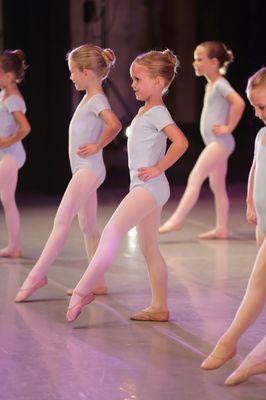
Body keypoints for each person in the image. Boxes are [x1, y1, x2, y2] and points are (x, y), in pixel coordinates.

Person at [66, 49, 189, 323]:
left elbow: (181, 142)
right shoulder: (148, 110)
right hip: (149, 186)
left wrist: (159, 167)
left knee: (112, 231)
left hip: (149, 187)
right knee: (149, 247)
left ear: (158, 82)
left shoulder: (157, 111)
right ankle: (160, 307)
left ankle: (83, 290)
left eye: (137, 79)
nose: (132, 84)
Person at [14, 44, 121, 302]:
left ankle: (36, 276)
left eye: (73, 71)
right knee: (88, 227)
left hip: (88, 170)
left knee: (61, 222)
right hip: (86, 169)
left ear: (86, 72)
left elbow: (115, 124)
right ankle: (98, 282)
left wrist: (97, 145)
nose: (71, 76)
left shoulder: (96, 99)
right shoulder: (90, 97)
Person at [201, 67, 266, 386]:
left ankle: (229, 343)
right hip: (263, 222)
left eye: (262, 107)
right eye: (255, 106)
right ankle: (259, 358)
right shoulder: (261, 134)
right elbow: (256, 168)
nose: (256, 113)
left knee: (258, 282)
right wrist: (252, 204)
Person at [159, 41, 245, 239]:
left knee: (195, 177)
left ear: (214, 62)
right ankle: (221, 228)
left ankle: (177, 220)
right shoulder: (211, 85)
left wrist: (228, 127)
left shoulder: (221, 84)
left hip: (220, 143)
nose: (194, 63)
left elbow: (239, 103)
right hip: (217, 143)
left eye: (199, 59)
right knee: (217, 186)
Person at [0, 49, 31, 258]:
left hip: (11, 155)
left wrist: (7, 141)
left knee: (6, 198)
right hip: (7, 154)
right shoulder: (4, 95)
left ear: (9, 76)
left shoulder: (12, 99)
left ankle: (14, 246)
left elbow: (25, 128)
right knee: (7, 199)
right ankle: (14, 247)